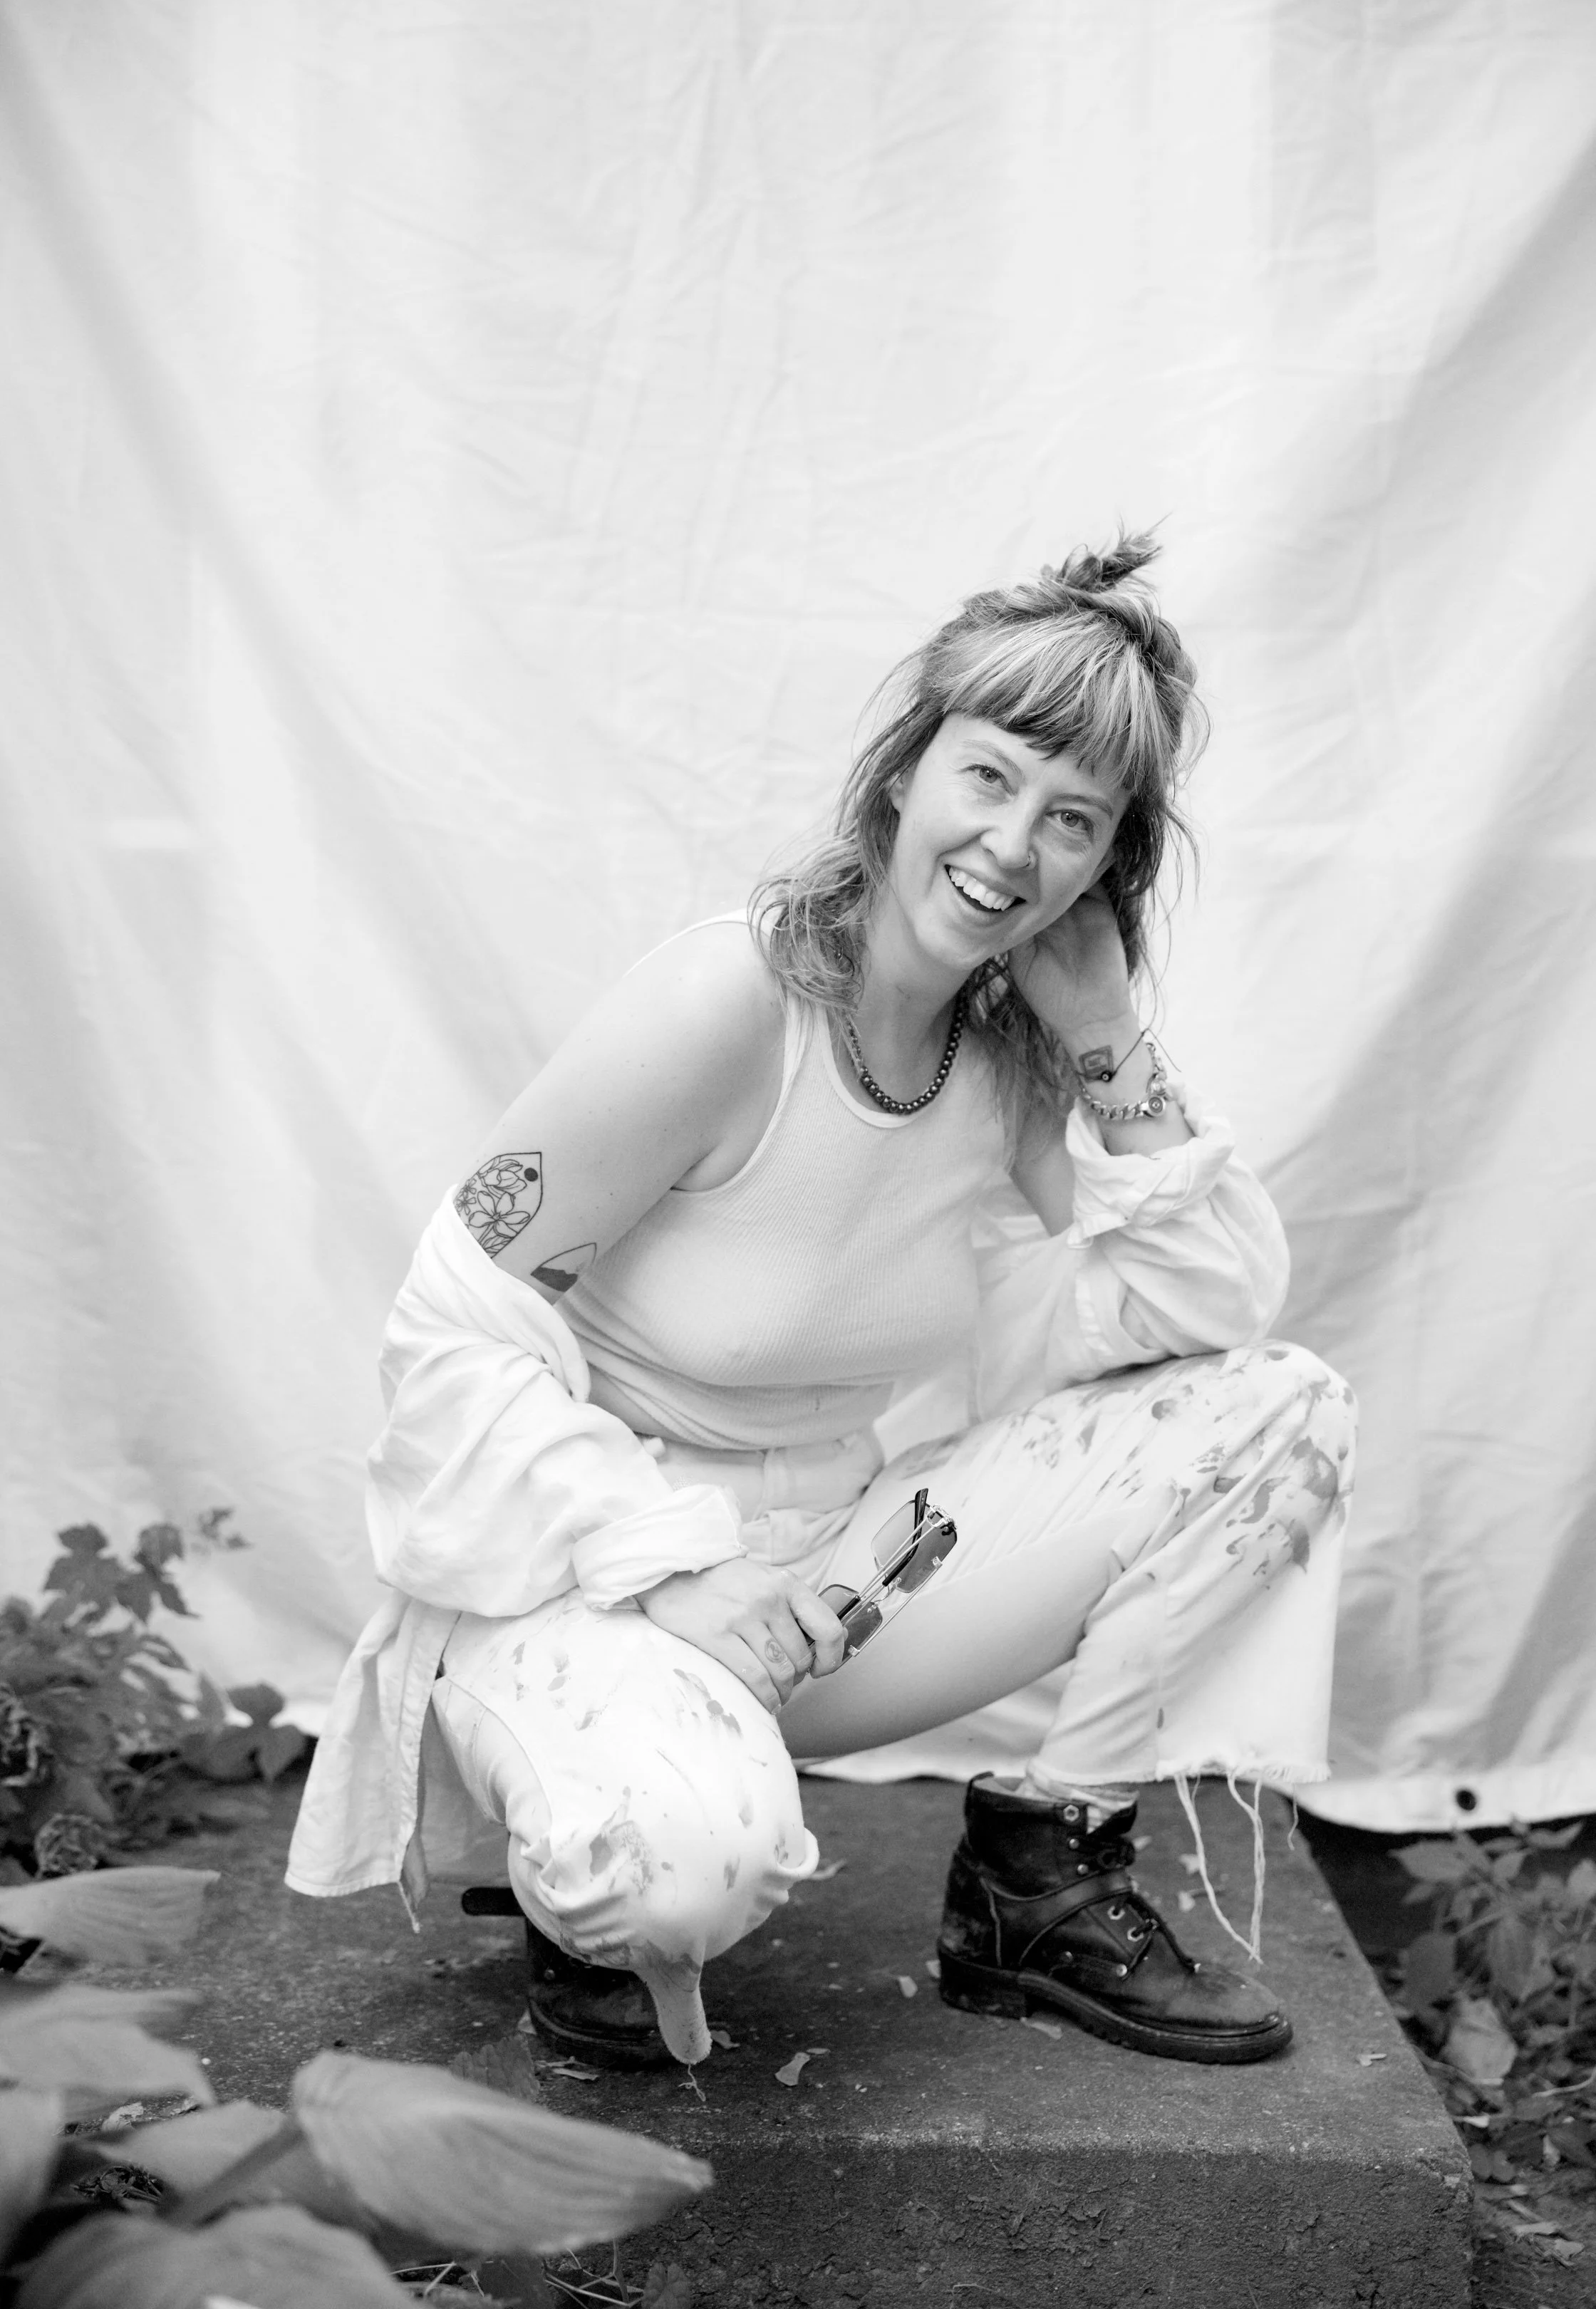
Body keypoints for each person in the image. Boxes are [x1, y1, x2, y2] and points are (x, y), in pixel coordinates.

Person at [287, 534, 1355, 2075]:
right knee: (678, 1887)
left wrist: (1108, 1025)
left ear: (1101, 872)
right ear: (907, 769)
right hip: (586, 1575)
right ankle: (601, 1811)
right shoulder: (727, 1002)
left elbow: (1217, 1304)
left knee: (1282, 1409)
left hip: (828, 1590)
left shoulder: (1006, 1065)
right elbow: (448, 1331)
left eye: (1074, 822)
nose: (1012, 846)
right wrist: (663, 1578)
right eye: (989, 779)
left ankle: (1041, 1872)